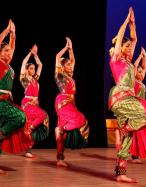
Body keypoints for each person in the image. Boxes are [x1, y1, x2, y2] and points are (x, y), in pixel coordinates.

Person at [108, 7, 146, 183]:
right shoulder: (116, 60)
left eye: (131, 48)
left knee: (127, 138)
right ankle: (125, 129)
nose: (130, 49)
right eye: (127, 47)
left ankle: (120, 172)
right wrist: (125, 21)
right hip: (120, 98)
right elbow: (122, 36)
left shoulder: (130, 64)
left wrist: (133, 24)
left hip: (129, 98)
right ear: (120, 48)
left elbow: (134, 38)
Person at [0, 20, 28, 174]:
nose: (9, 53)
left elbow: (13, 47)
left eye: (9, 51)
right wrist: (6, 30)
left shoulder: (7, 64)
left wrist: (13, 34)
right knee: (21, 118)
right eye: (5, 51)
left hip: (3, 101)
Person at [54, 37, 89, 167]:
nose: (70, 65)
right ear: (62, 67)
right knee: (81, 119)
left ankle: (60, 158)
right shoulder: (60, 76)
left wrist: (71, 49)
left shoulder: (70, 77)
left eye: (70, 64)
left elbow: (73, 60)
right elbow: (58, 57)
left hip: (70, 103)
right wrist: (65, 48)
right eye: (67, 64)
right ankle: (60, 129)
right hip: (62, 102)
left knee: (62, 133)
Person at [19, 44, 49, 158]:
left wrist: (35, 56)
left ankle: (28, 151)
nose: (34, 70)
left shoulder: (35, 79)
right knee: (43, 115)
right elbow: (23, 63)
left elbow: (40, 64)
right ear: (27, 70)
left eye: (33, 68)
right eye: (31, 68)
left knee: (33, 127)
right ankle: (29, 128)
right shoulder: (24, 79)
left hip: (35, 104)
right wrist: (30, 53)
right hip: (27, 104)